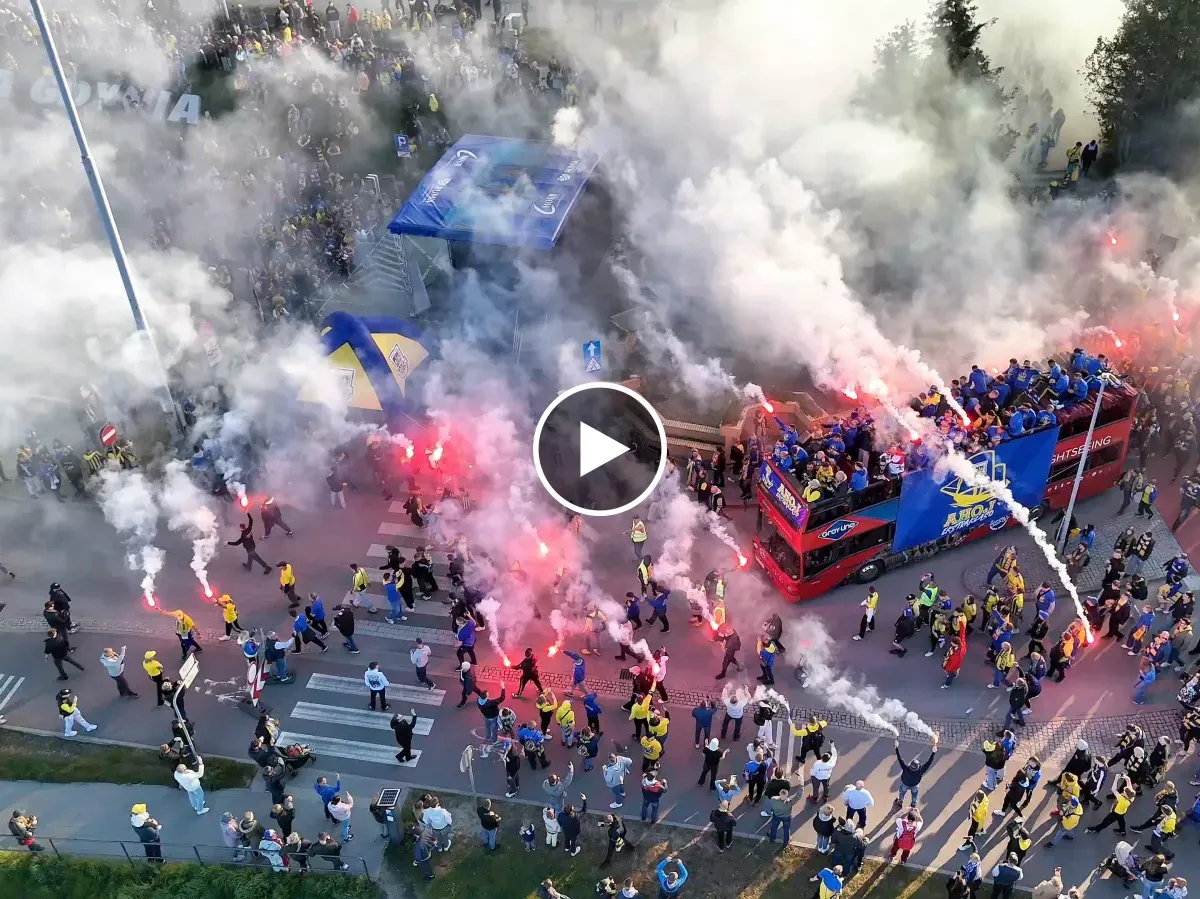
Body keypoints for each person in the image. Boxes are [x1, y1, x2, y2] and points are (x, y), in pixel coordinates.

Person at [893, 735, 938, 806]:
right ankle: (913, 804)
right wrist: (933, 753)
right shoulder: (920, 771)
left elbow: (899, 758)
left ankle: (900, 801)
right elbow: (928, 763)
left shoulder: (906, 768)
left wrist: (896, 747)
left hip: (905, 783)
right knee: (914, 795)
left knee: (902, 793)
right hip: (914, 785)